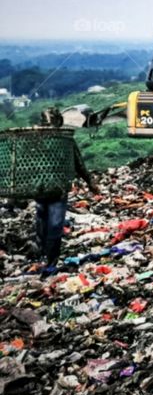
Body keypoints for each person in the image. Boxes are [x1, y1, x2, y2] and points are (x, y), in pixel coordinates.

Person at [31, 108, 94, 274]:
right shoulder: (33, 138)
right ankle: (43, 254)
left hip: (57, 189)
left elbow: (78, 161)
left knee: (55, 224)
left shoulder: (65, 140)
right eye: (46, 123)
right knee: (43, 221)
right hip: (40, 188)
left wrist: (90, 182)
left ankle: (51, 260)